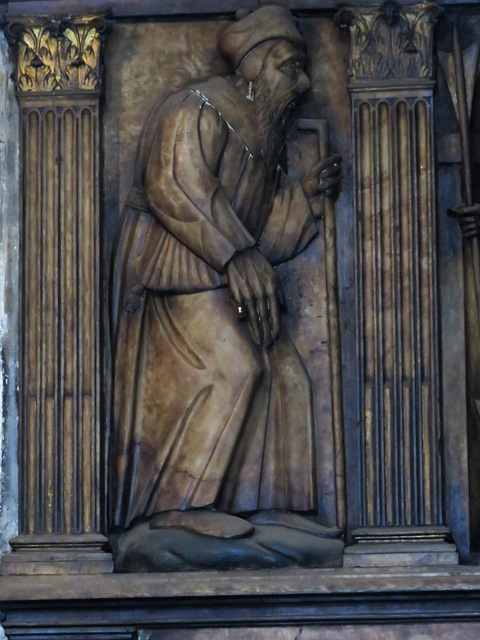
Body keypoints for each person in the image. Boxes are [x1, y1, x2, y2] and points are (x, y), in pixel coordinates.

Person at [110, 5, 342, 538]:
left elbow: (260, 240)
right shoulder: (195, 108)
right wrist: (237, 255)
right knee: (236, 368)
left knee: (289, 378)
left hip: (222, 277)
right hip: (175, 281)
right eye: (291, 66)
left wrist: (304, 203)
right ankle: (179, 509)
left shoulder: (264, 137)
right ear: (255, 64)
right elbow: (174, 185)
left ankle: (264, 504)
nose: (304, 83)